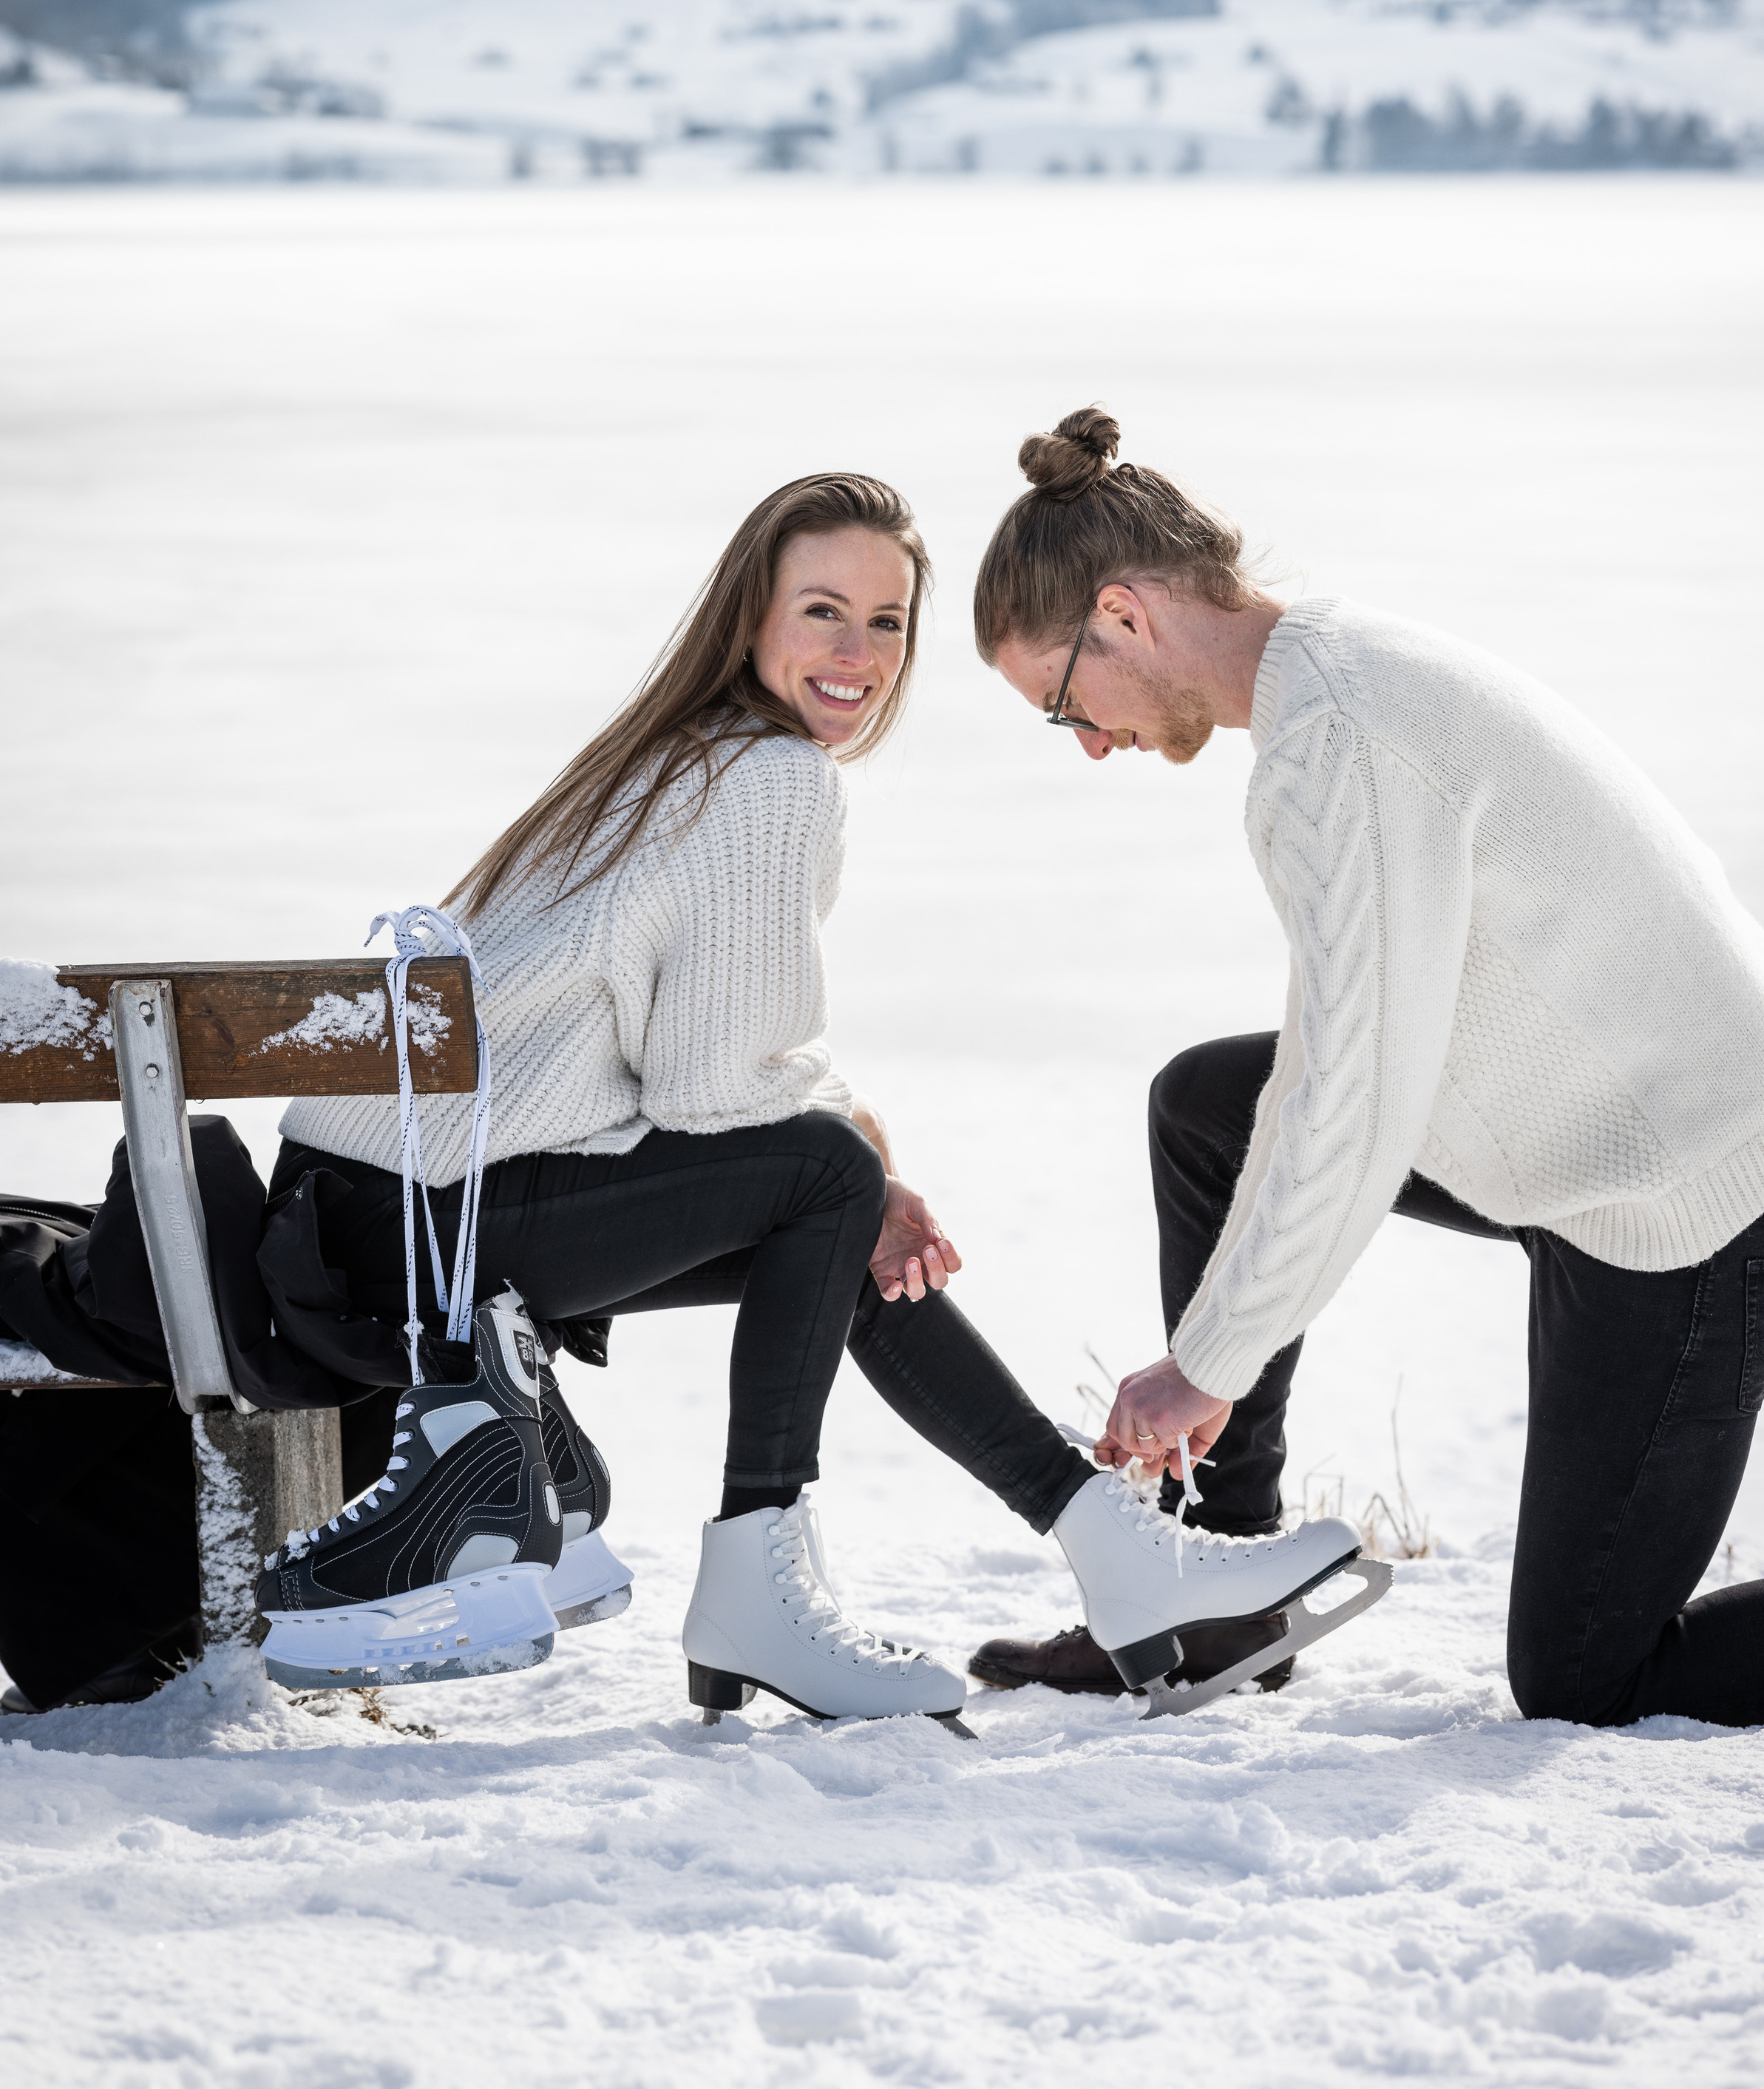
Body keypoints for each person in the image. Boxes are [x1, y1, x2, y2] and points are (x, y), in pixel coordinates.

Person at [263, 472, 1357, 1722]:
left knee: (831, 1205)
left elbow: (716, 1068)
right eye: (824, 611)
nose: (858, 654)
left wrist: (854, 1160)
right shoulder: (769, 780)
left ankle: (1113, 1548)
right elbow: (714, 1088)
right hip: (419, 1227)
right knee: (825, 1183)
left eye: (887, 623)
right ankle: (765, 1581)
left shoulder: (682, 754)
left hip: (363, 1217)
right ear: (751, 620)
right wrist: (864, 1161)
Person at [966, 405, 1764, 1731]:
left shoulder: (1340, 737)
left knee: (1586, 1676)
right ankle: (1225, 1588)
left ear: (1121, 614)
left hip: (1701, 1202)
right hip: (1596, 1145)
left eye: (1064, 703)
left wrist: (1210, 1361)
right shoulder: (1326, 674)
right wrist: (1218, 1346)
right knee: (1211, 1110)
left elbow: (1355, 1099)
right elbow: (1332, 1060)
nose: (1091, 742)